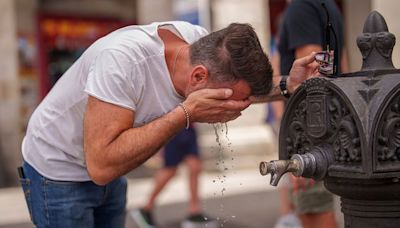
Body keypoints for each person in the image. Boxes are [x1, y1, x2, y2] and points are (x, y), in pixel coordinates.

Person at [18, 20, 319, 228]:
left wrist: (285, 86)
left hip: (110, 171)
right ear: (199, 77)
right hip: (56, 170)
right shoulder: (122, 62)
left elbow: (237, 91)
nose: (233, 109)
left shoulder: (199, 45)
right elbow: (101, 165)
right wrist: (186, 113)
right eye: (225, 101)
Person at [277, 0, 349, 228]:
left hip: (311, 131)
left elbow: (311, 76)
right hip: (330, 122)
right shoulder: (327, 5)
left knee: (315, 212)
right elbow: (341, 67)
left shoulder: (301, 8)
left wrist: (305, 148)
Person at [131, 124, 211, 227]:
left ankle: (194, 212)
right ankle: (146, 208)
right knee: (170, 170)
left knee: (194, 167)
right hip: (174, 127)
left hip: (189, 126)